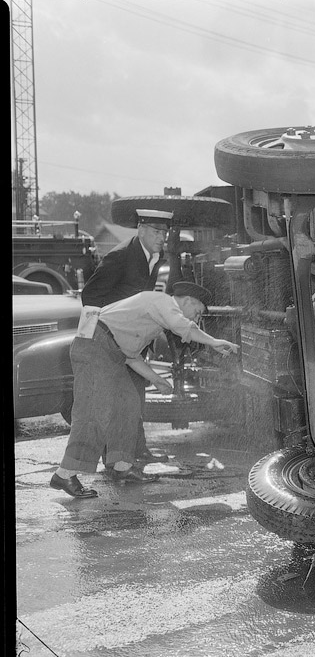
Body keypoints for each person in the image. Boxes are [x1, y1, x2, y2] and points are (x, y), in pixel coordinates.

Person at [50, 283, 239, 498]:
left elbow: (131, 356)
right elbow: (183, 326)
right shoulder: (161, 301)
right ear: (188, 301)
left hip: (109, 352)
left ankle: (121, 466)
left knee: (129, 403)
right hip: (94, 347)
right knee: (93, 412)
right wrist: (213, 342)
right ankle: (65, 473)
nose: (195, 319)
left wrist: (157, 380)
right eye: (197, 313)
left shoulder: (154, 318)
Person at [81, 208, 171, 465]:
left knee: (134, 397)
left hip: (134, 342)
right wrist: (101, 333)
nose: (162, 237)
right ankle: (113, 459)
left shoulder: (155, 257)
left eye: (164, 232)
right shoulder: (120, 256)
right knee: (116, 400)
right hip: (111, 342)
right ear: (140, 230)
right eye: (156, 231)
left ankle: (136, 450)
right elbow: (90, 296)